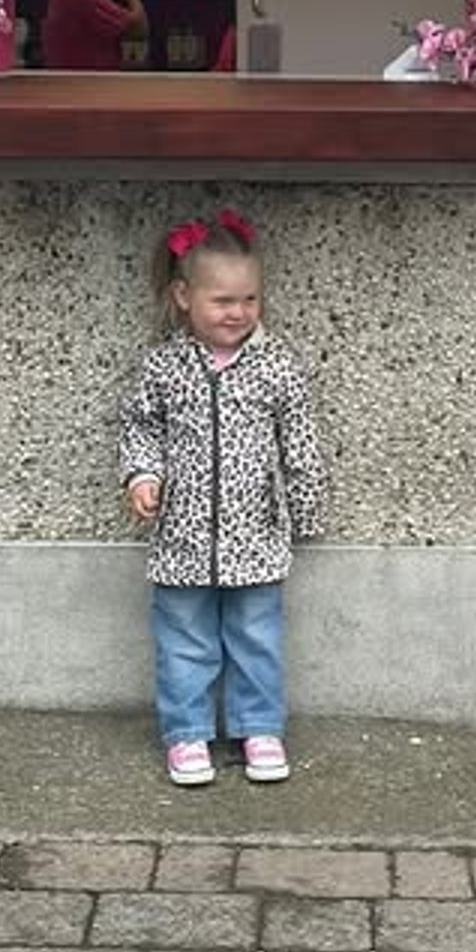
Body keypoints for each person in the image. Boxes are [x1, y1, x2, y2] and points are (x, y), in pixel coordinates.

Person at [120, 209, 327, 786]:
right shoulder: (163, 366)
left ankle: (259, 727)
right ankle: (187, 734)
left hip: (255, 533)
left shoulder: (276, 366)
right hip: (181, 538)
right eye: (223, 301)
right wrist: (142, 477)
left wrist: (306, 512)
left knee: (257, 637)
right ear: (184, 296)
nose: (238, 313)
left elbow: (300, 442)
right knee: (183, 641)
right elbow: (140, 426)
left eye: (250, 299)